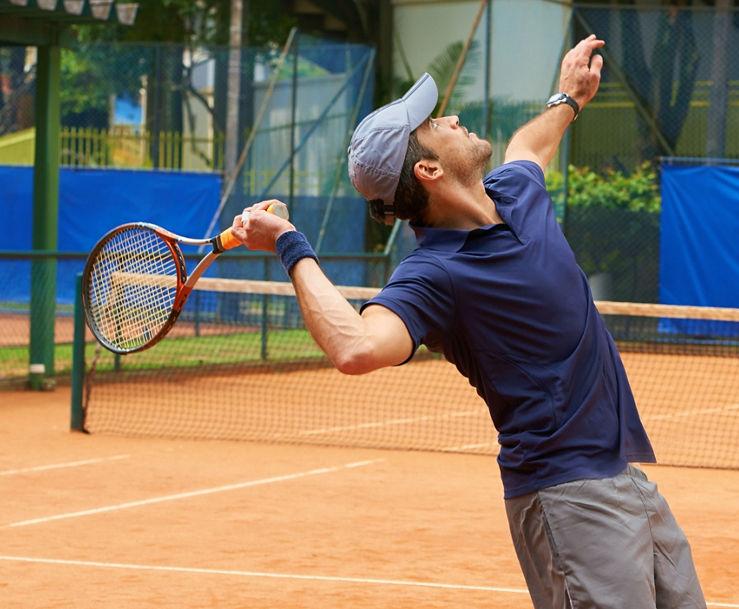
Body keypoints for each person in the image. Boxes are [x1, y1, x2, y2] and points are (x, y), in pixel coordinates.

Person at [229, 35, 706, 609]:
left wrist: (569, 97)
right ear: (428, 168)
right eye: (435, 123)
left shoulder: (513, 190)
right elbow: (355, 347)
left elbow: (530, 144)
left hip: (624, 477)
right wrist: (289, 243)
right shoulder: (434, 275)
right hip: (567, 496)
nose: (451, 116)